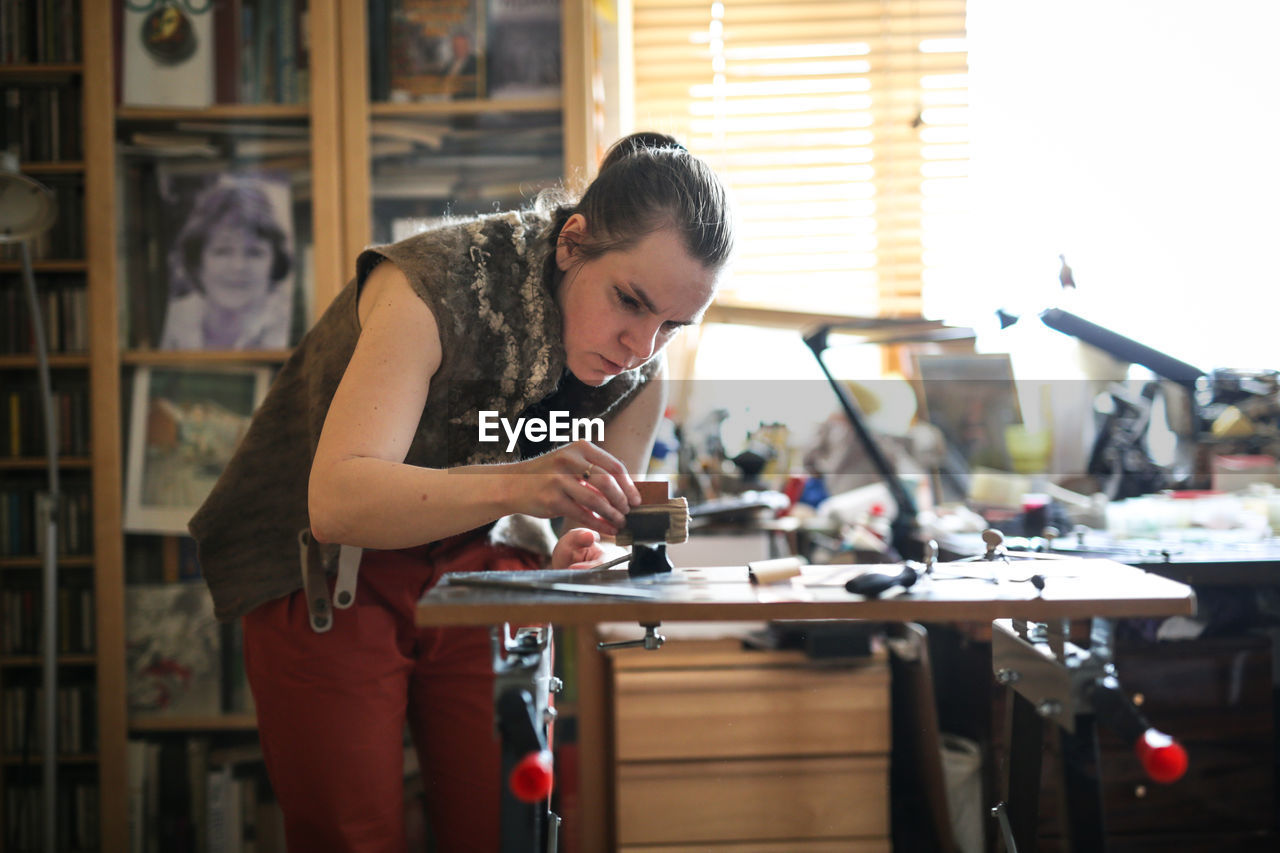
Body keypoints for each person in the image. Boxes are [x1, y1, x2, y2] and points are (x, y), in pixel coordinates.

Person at [188, 132, 733, 852]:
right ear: (572, 242)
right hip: (323, 564)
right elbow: (338, 501)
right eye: (630, 301)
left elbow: (594, 522)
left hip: (477, 557)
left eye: (672, 325)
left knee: (505, 826)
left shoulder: (639, 371)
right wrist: (527, 482)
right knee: (354, 835)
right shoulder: (431, 286)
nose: (641, 345)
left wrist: (580, 543)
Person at [159, 179, 294, 351]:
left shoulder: (294, 330)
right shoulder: (175, 321)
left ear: (275, 263)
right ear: (198, 261)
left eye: (254, 253)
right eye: (222, 251)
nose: (238, 266)